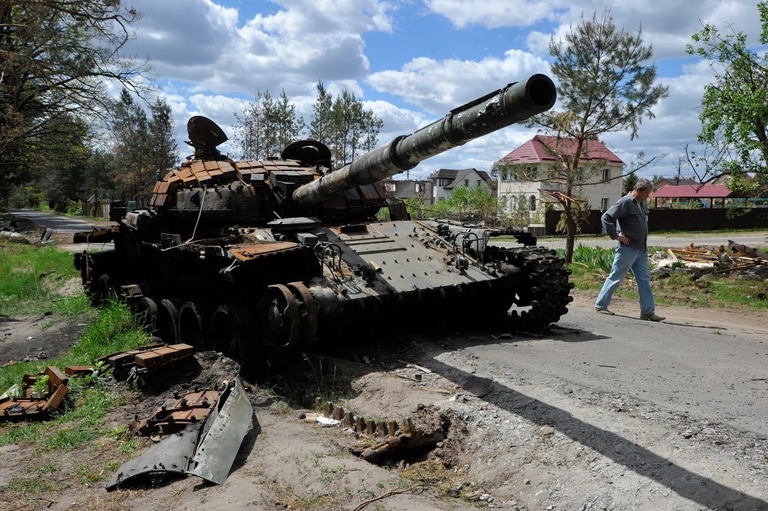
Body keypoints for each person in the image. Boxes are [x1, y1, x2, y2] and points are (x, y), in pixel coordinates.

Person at [594, 178, 665, 321]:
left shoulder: (642, 203)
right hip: (627, 248)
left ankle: (647, 312)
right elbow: (606, 217)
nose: (648, 196)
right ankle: (601, 305)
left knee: (644, 280)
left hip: (640, 249)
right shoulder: (625, 202)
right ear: (639, 190)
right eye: (646, 193)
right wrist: (616, 236)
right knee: (616, 277)